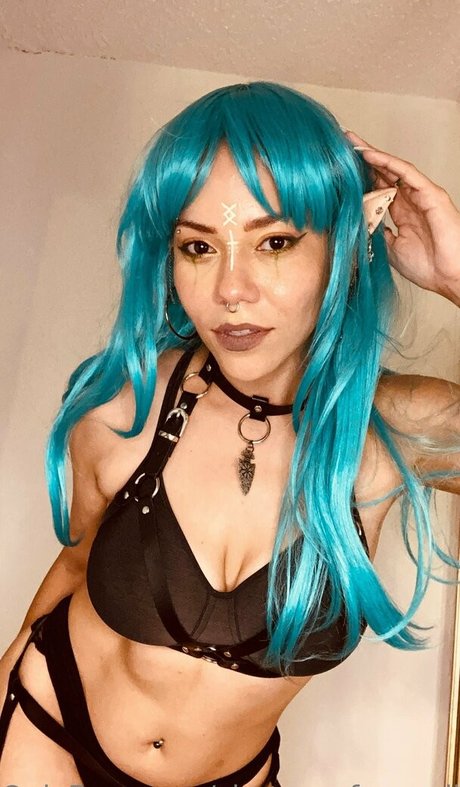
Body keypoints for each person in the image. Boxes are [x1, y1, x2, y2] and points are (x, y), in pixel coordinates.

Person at [1, 81, 460, 787]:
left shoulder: (394, 433)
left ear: (344, 248)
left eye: (274, 242)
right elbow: (75, 564)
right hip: (47, 731)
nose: (230, 291)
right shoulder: (129, 407)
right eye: (198, 246)